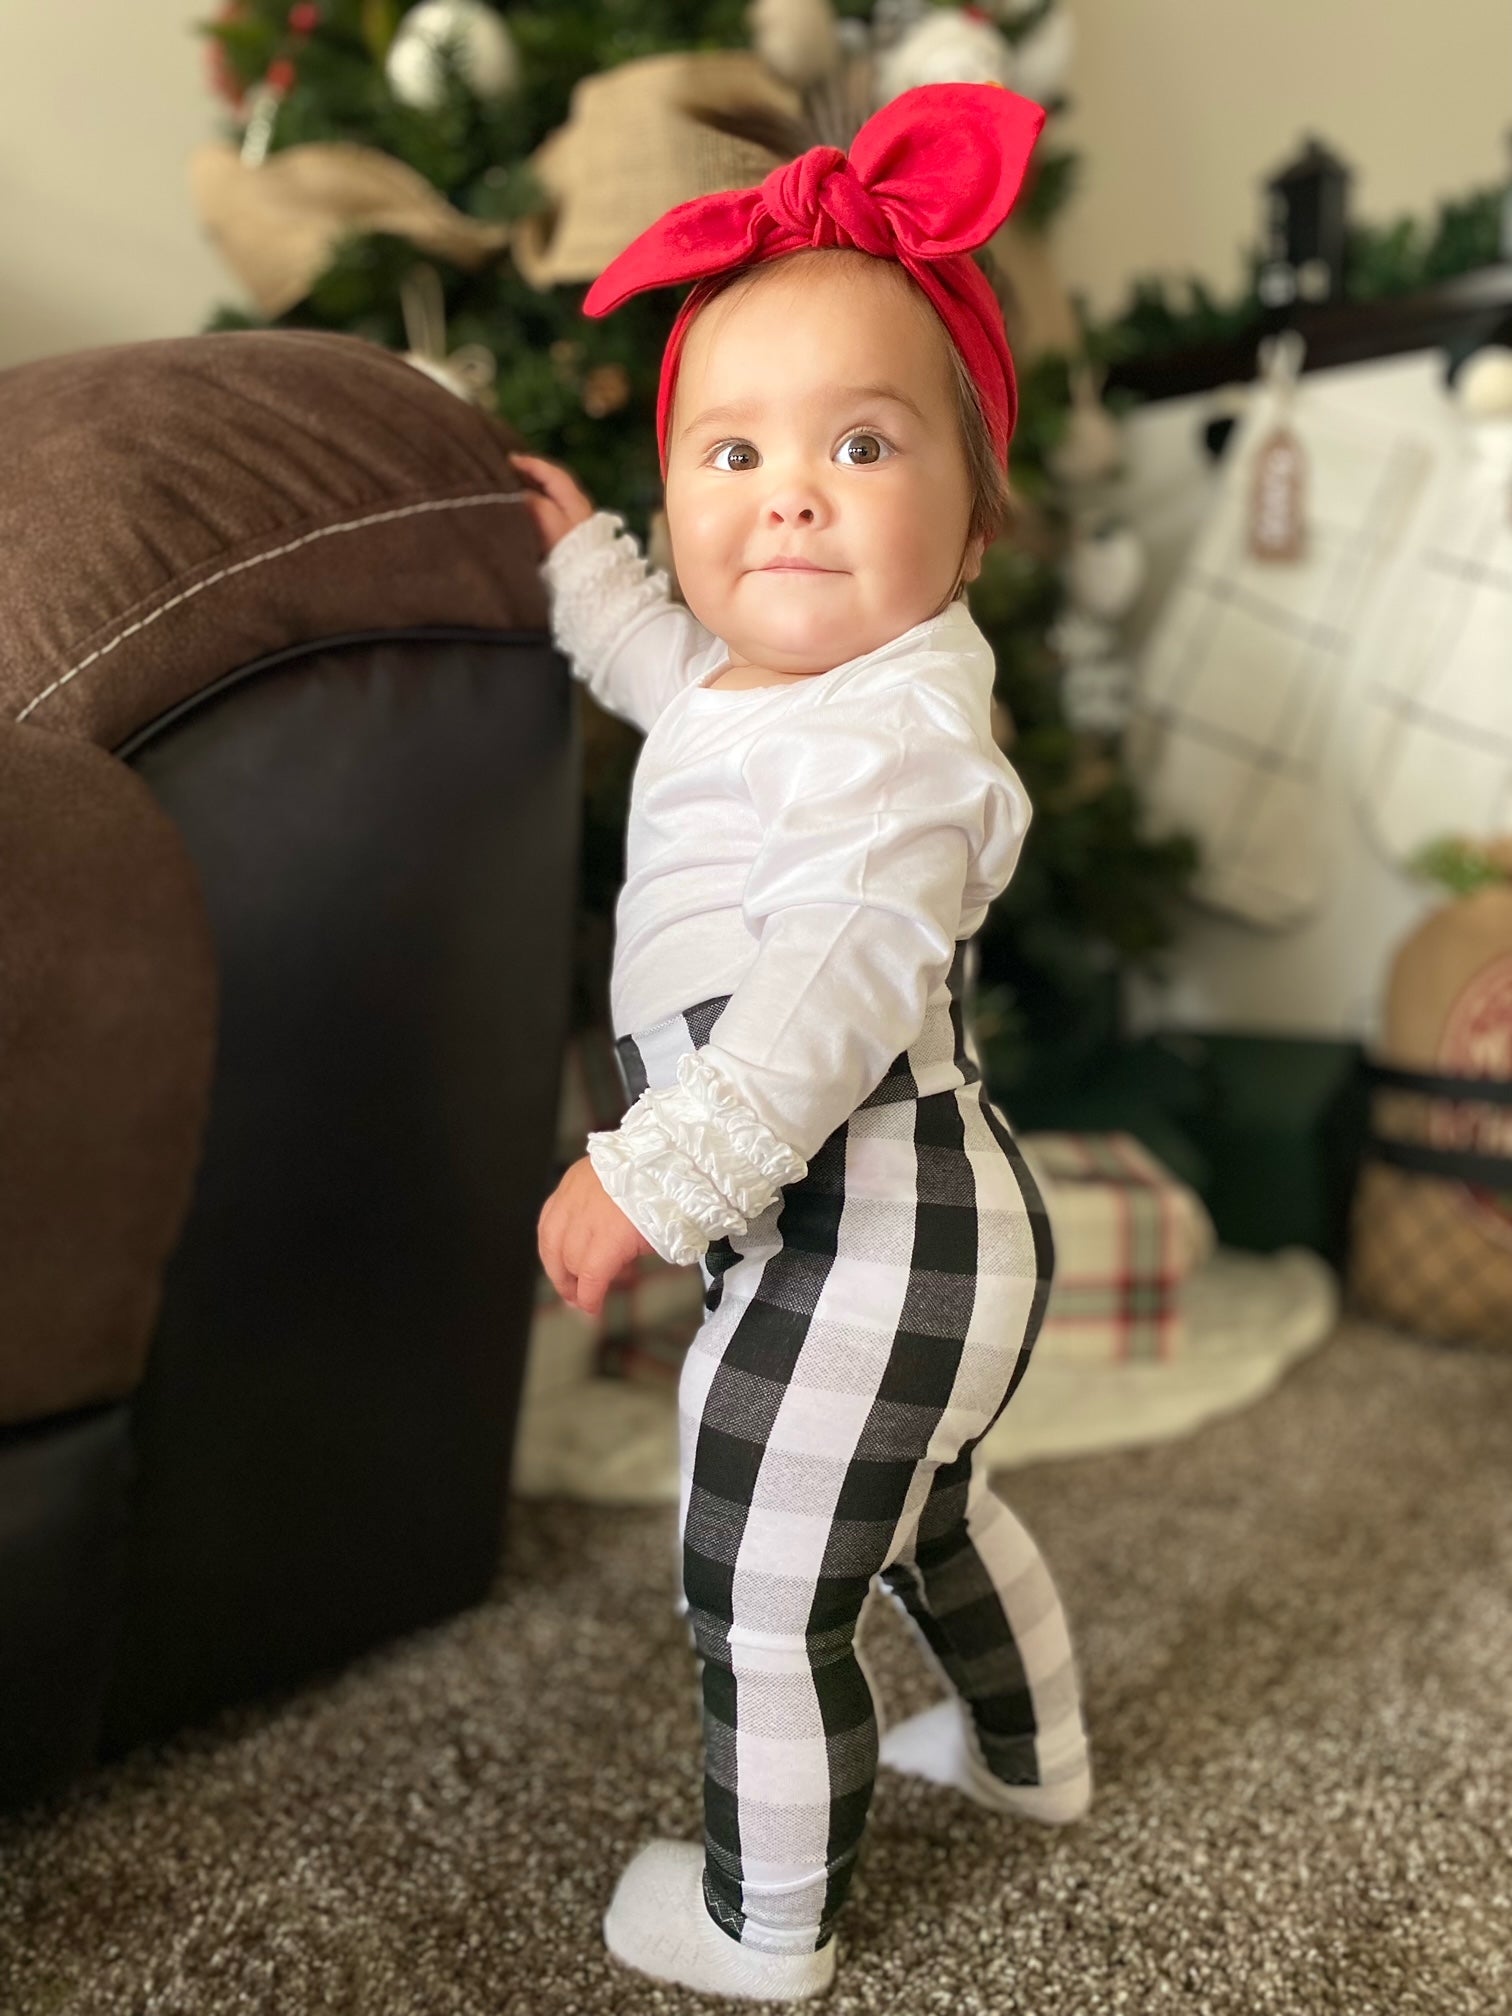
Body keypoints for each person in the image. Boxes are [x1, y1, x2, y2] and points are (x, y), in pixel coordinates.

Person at [520, 81, 1091, 2003]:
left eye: (861, 443)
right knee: (929, 1520)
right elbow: (668, 665)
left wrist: (648, 1168)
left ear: (973, 512)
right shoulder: (763, 689)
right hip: (897, 1228)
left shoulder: (903, 743)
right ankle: (1035, 1759)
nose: (789, 493)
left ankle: (768, 1923)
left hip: (873, 1213)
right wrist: (585, 564)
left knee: (757, 1591)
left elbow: (829, 991)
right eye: (732, 449)